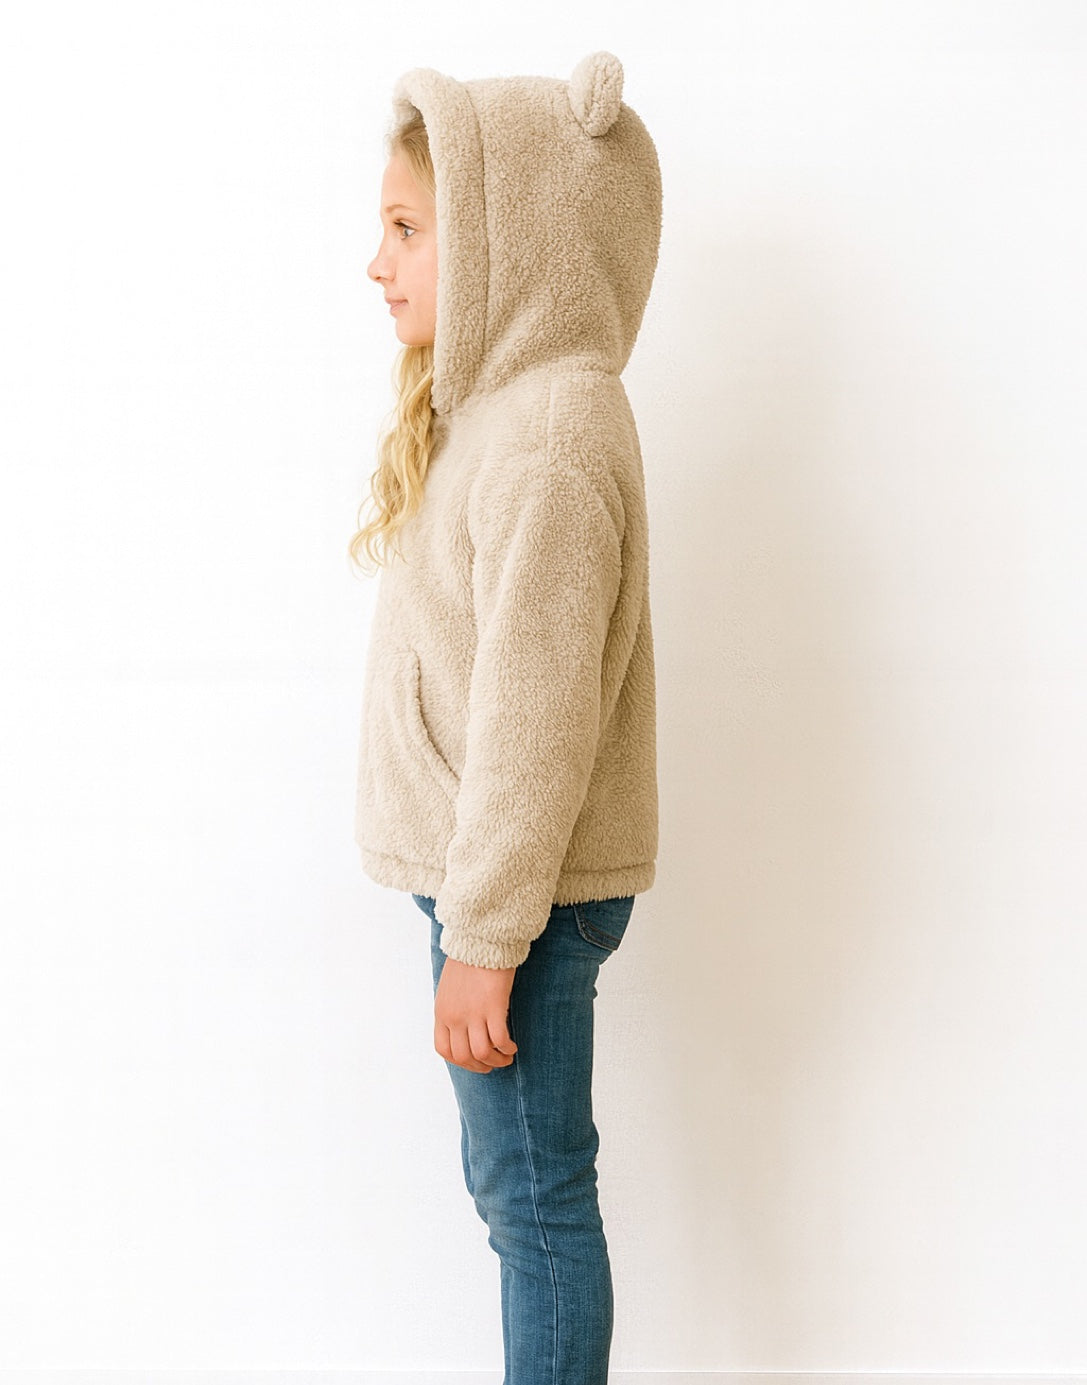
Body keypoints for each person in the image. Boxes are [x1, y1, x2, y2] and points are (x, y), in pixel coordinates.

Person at [348, 50, 662, 1385]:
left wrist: (484, 937)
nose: (379, 261)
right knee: (520, 1194)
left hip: (516, 902)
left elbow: (535, 726)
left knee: (534, 1206)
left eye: (410, 229)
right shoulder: (508, 417)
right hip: (501, 892)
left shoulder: (547, 441)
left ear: (509, 238)